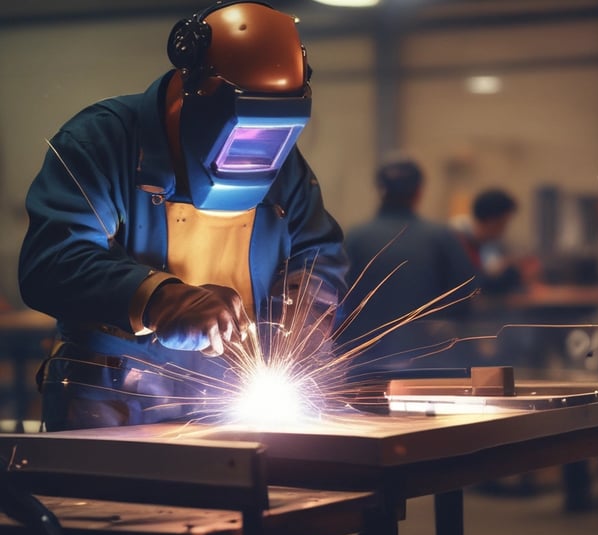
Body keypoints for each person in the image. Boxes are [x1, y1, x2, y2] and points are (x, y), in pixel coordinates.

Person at [18, 1, 348, 431]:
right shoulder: (103, 142)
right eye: (244, 128)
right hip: (113, 402)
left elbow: (318, 255)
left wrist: (300, 328)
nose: (257, 151)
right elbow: (52, 264)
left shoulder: (284, 166)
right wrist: (160, 298)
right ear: (190, 95)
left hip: (229, 397)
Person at [340, 156, 476, 375]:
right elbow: (465, 295)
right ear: (419, 192)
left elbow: (336, 299)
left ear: (380, 189)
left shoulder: (355, 238)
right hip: (431, 362)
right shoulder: (441, 238)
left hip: (365, 364)